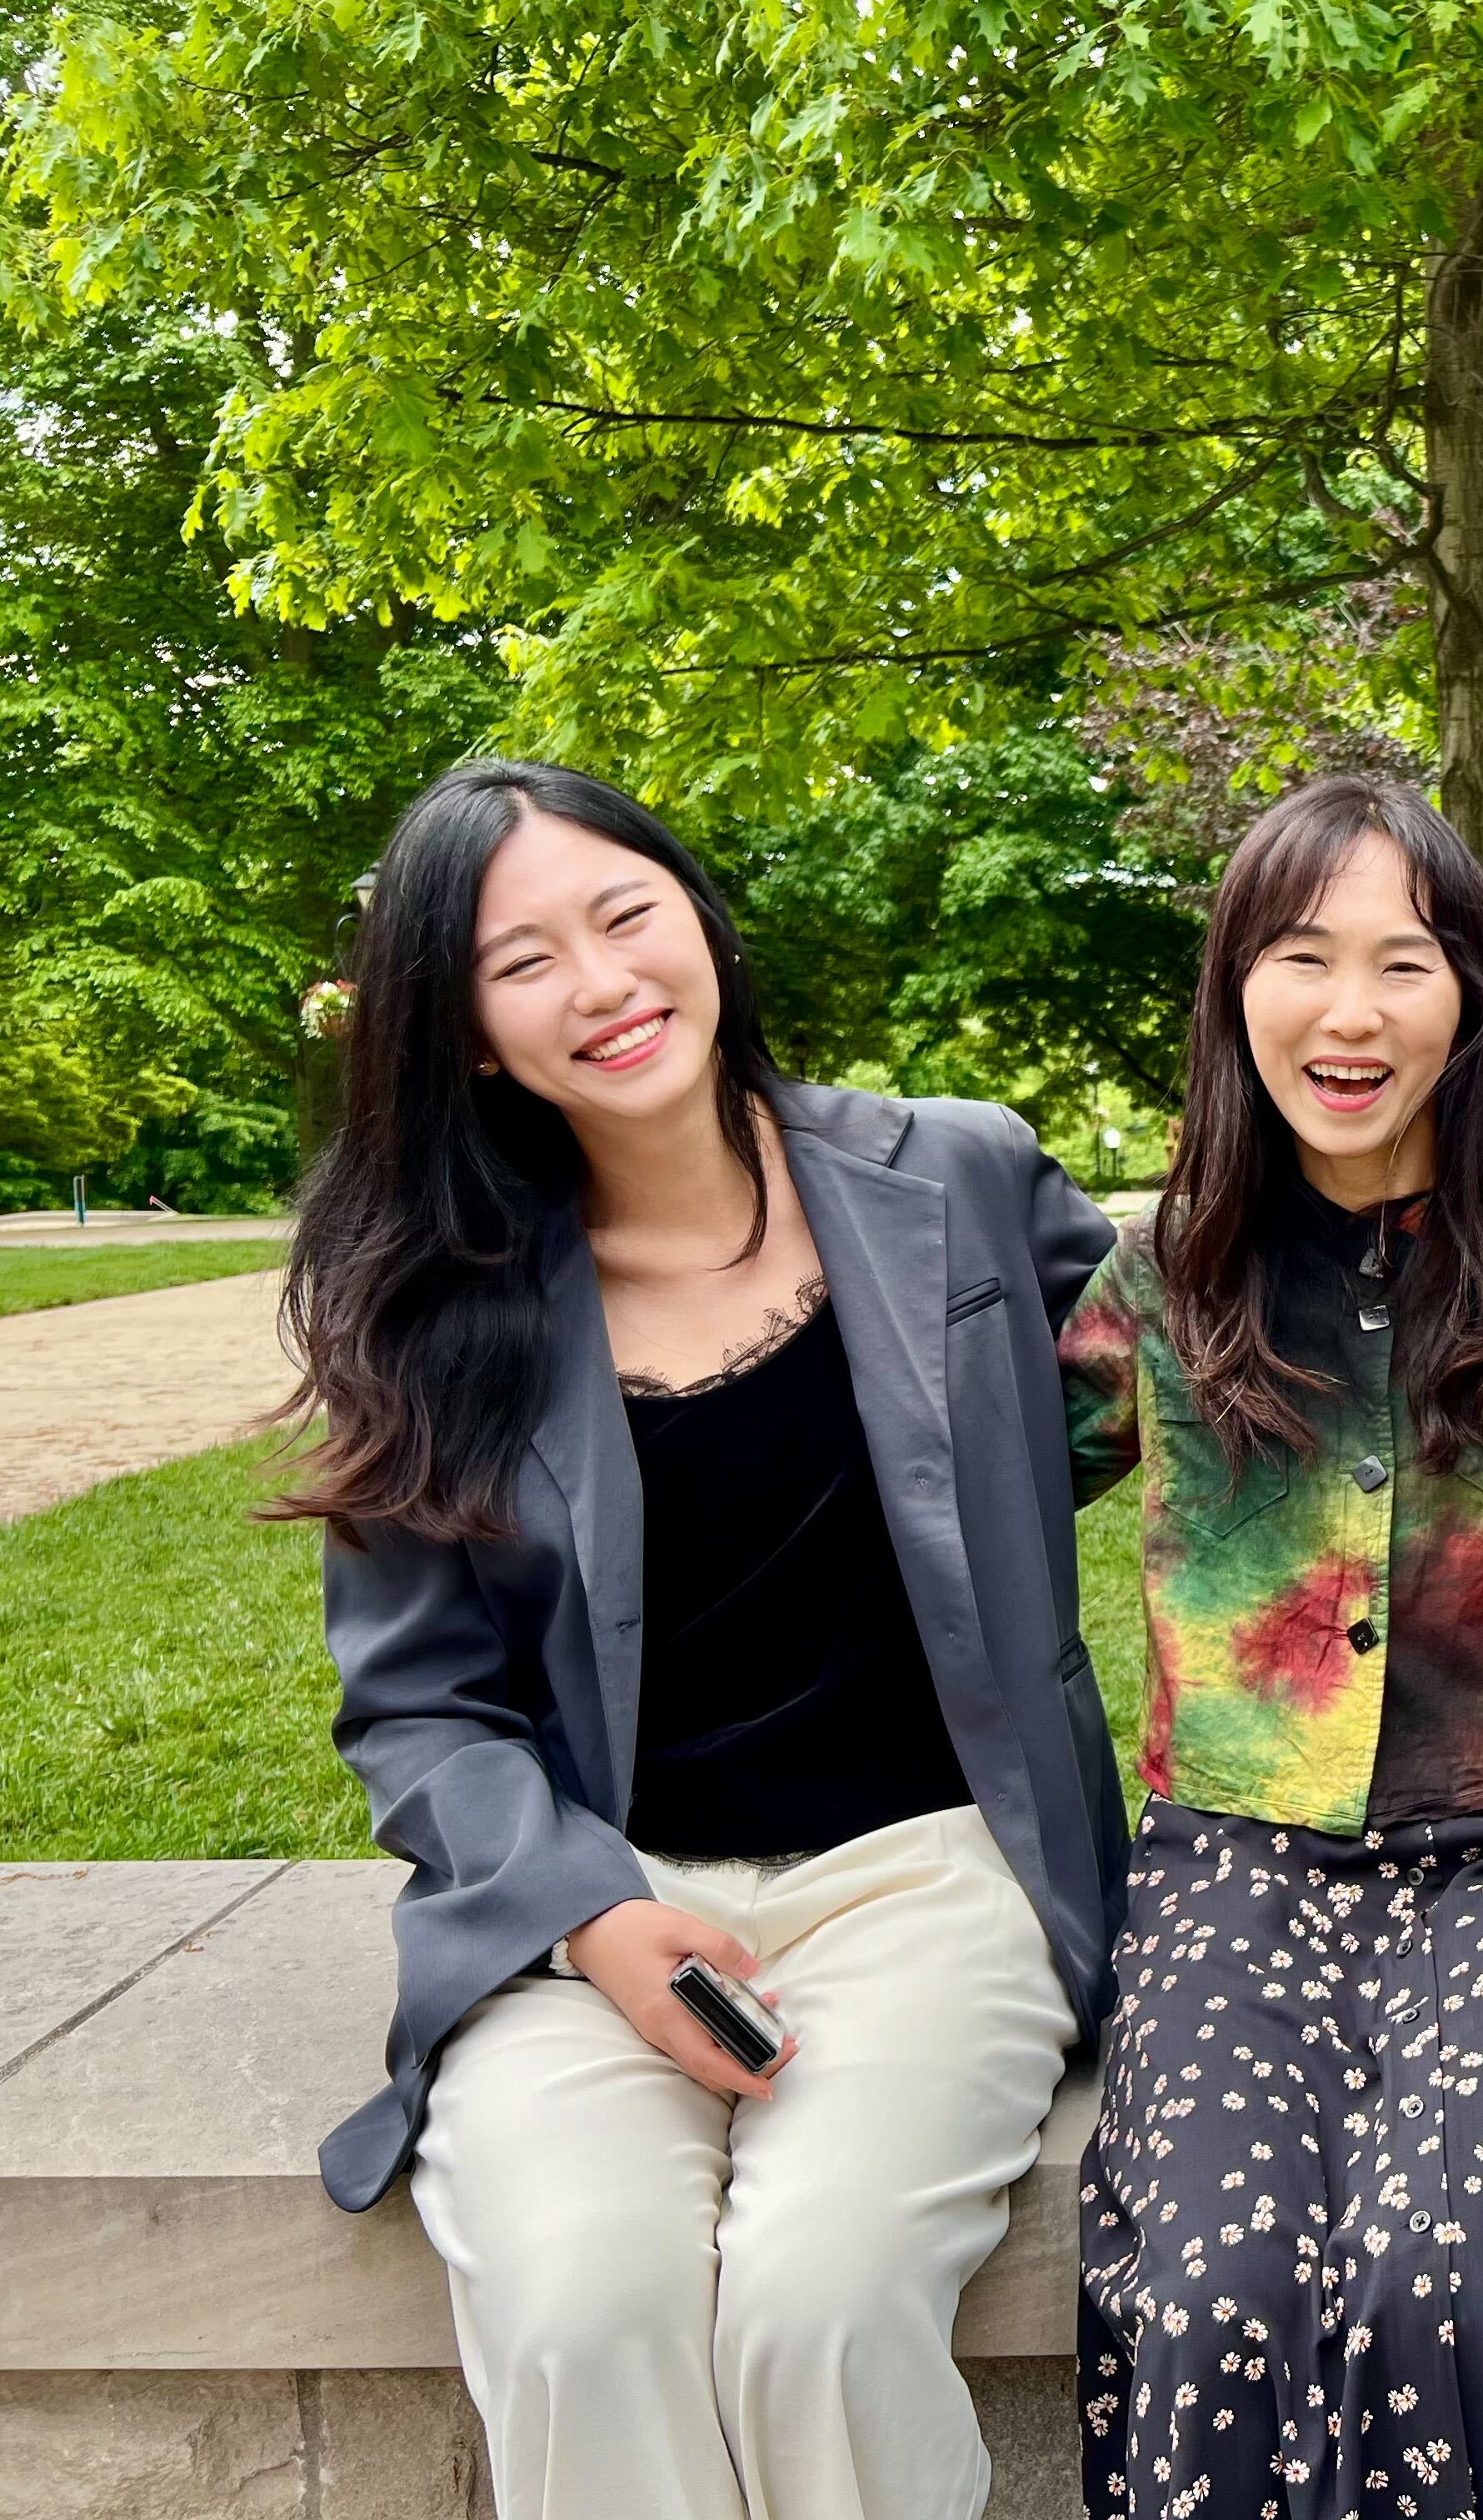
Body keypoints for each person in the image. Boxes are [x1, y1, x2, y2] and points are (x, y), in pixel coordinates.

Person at [276, 761, 1127, 2520]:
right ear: (468, 1031)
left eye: (624, 913)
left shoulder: (955, 1177)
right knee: (586, 2307)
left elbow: (1205, 1367)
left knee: (819, 2303)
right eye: (522, 963)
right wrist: (591, 1914)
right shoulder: (430, 1305)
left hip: (933, 1879)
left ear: (698, 917)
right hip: (592, 1902)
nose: (600, 983)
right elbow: (420, 1710)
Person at [1055, 774, 1483, 2520]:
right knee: (1214, 2288)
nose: (1350, 1011)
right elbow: (961, 1525)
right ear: (1235, 985)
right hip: (1228, 1862)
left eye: (1404, 963)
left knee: (1448, 2263)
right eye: (1303, 956)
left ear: (1468, 997)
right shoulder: (1164, 1274)